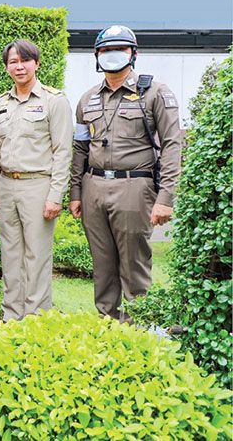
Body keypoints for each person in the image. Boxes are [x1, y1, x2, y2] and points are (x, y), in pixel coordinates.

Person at [69, 25, 181, 321]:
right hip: (93, 187)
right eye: (105, 50)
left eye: (119, 49)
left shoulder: (155, 92)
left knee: (134, 266)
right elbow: (80, 149)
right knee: (102, 266)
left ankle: (137, 332)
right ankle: (107, 326)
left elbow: (172, 145)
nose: (111, 55)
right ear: (96, 56)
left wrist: (166, 197)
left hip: (135, 187)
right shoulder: (87, 99)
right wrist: (76, 193)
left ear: (133, 53)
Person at [0, 40, 73, 321]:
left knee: (37, 255)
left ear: (36, 63)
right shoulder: (0, 104)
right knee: (11, 255)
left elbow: (63, 151)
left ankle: (36, 319)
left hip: (38, 185)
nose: (19, 66)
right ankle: (12, 317)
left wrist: (55, 195)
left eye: (25, 60)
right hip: (7, 186)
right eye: (13, 62)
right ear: (6, 67)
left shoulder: (53, 100)